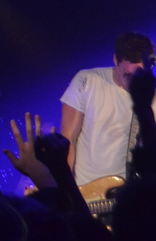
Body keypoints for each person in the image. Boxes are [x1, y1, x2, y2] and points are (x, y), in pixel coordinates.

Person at [60, 31, 156, 187]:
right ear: (115, 59)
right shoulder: (87, 80)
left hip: (123, 192)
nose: (133, 82)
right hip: (82, 188)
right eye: (127, 74)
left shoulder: (150, 97)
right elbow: (68, 138)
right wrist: (66, 189)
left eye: (139, 75)